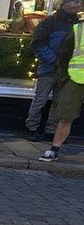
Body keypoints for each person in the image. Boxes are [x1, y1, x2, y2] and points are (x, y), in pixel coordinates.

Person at [25, 0, 82, 137]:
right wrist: (53, 59)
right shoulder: (50, 22)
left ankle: (51, 131)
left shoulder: (79, 25)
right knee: (40, 100)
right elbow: (37, 43)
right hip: (49, 68)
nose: (78, 5)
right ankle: (31, 128)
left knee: (59, 102)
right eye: (75, 2)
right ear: (65, 4)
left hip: (67, 70)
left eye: (80, 2)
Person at [40, 11, 84, 162]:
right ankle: (54, 149)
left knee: (66, 116)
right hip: (75, 79)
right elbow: (64, 54)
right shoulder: (78, 29)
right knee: (66, 116)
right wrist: (64, 77)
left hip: (74, 77)